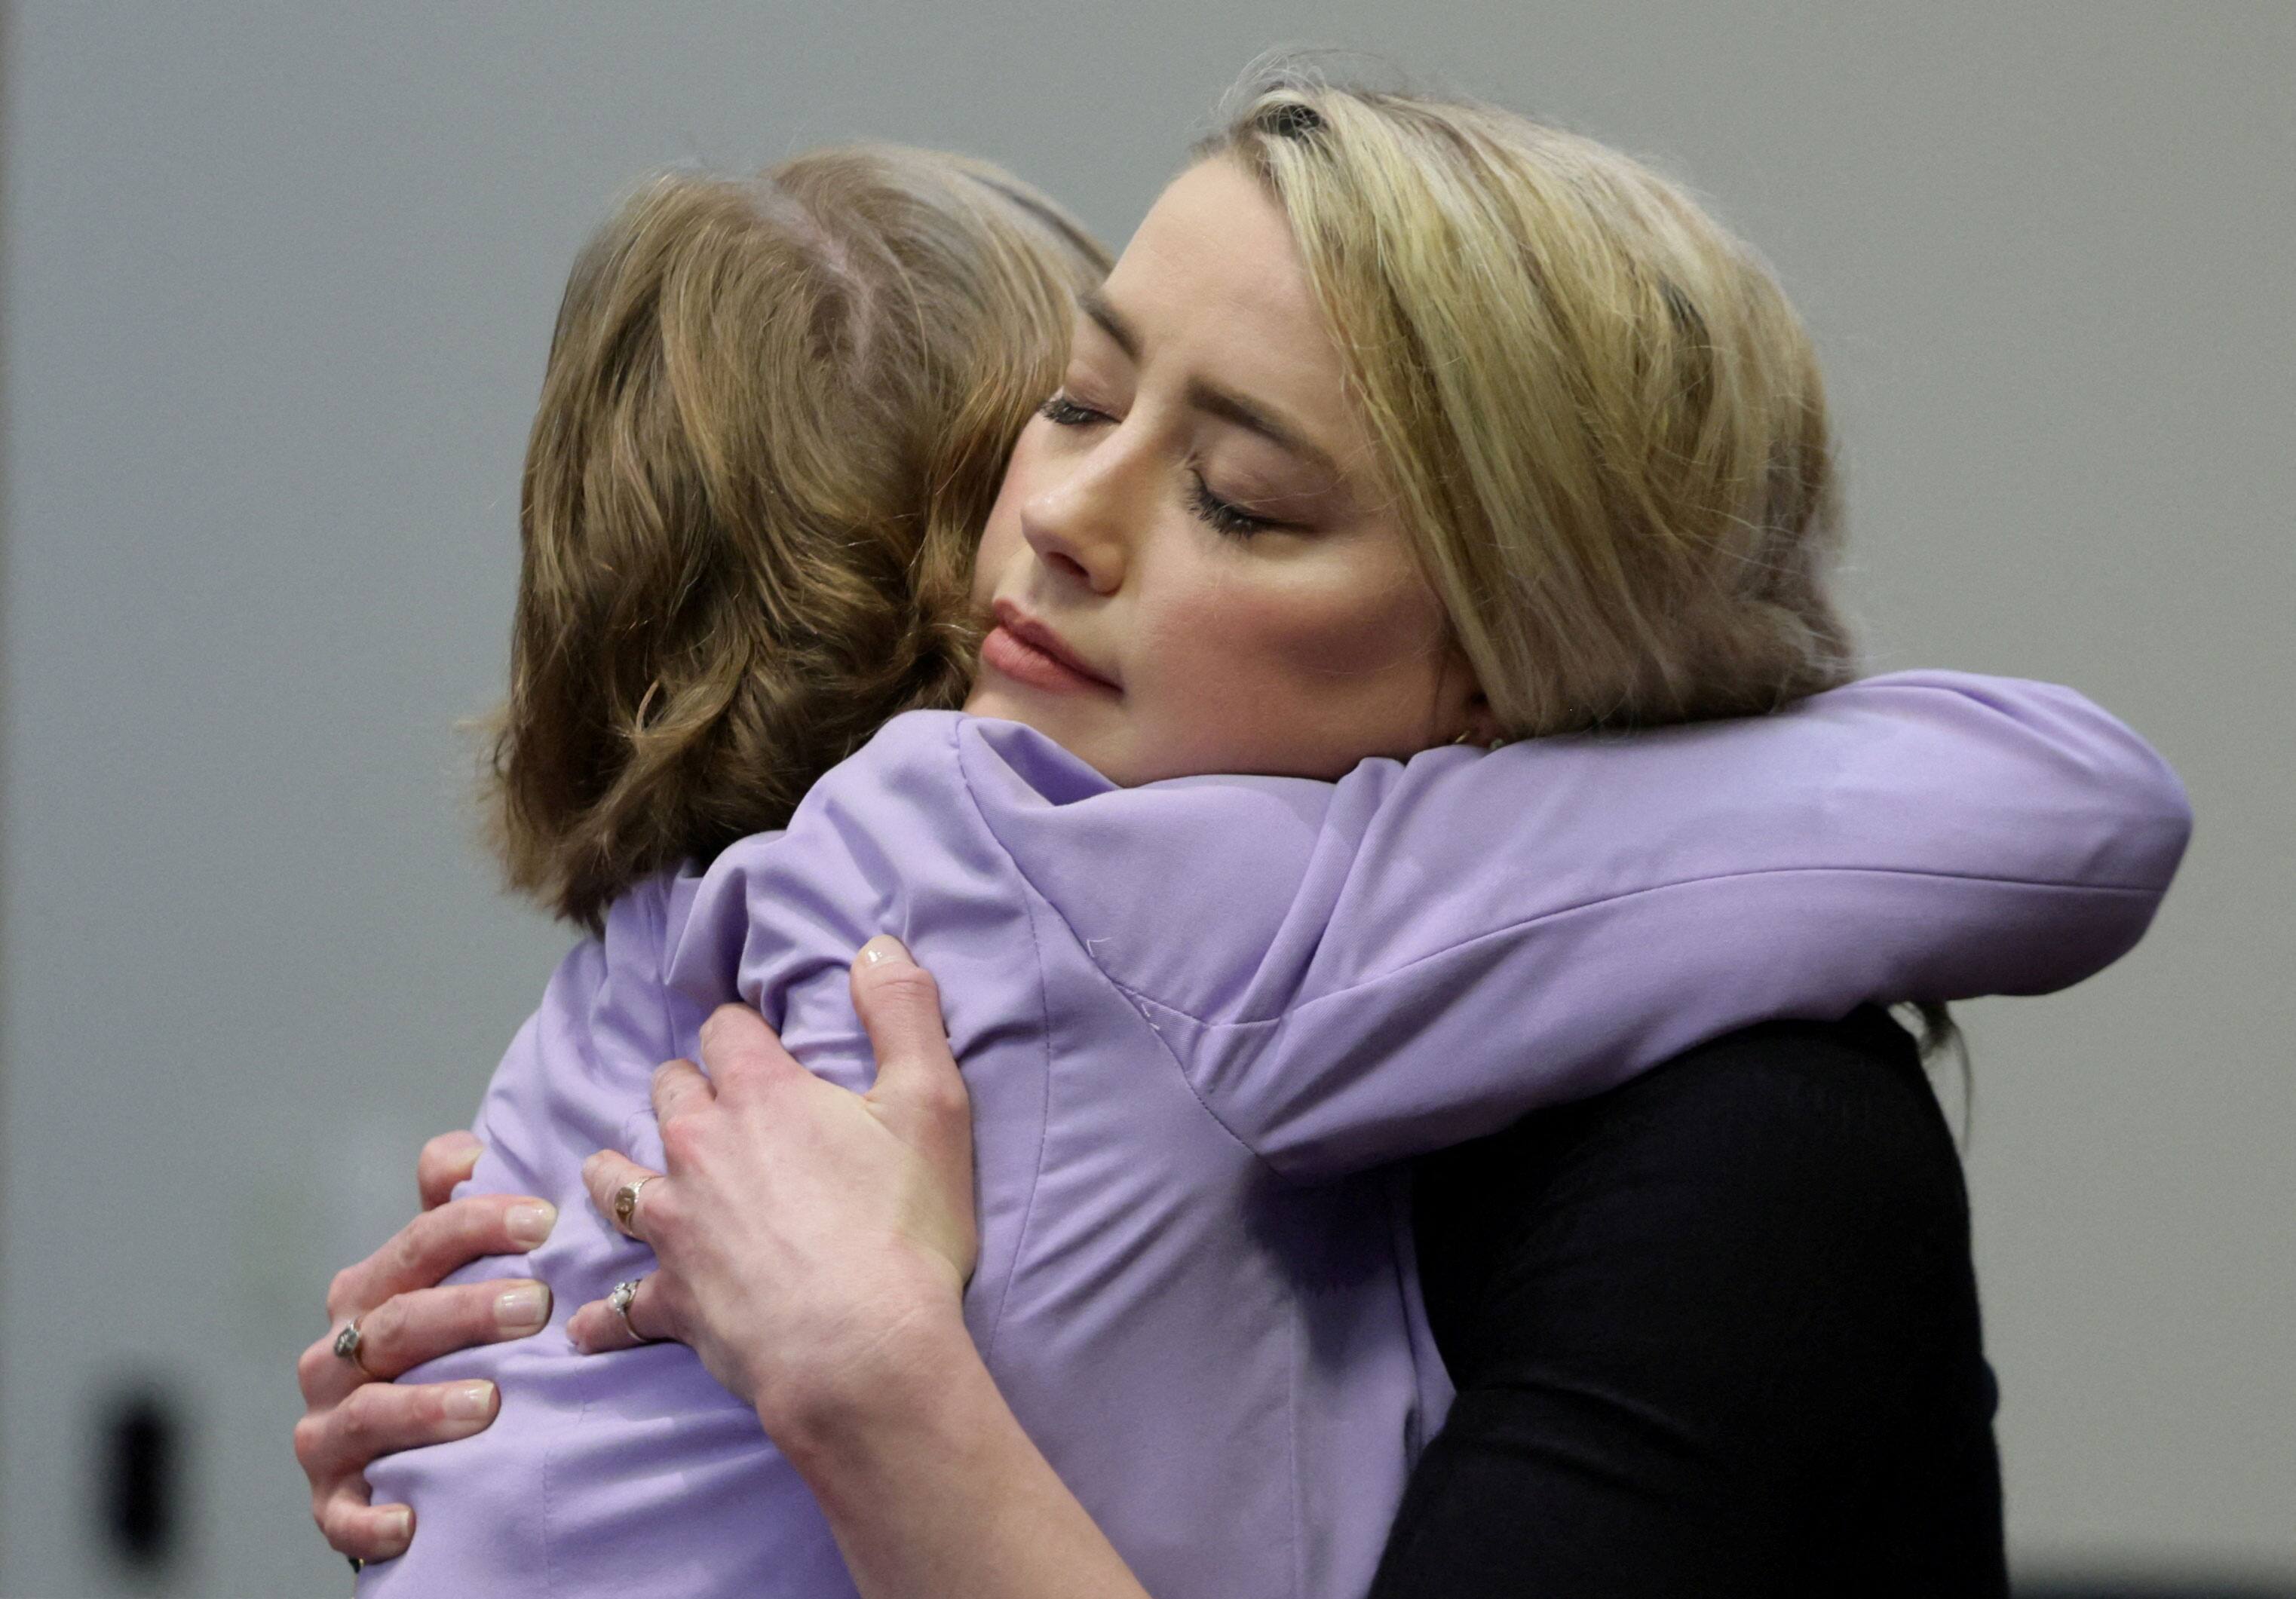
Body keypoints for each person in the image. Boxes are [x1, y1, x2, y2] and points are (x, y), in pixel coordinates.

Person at [297, 75, 2188, 1596]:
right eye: (1078, 399)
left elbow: (2079, 806)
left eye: (1240, 497)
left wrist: (868, 1383)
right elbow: (2061, 799)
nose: (1059, 518)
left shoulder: (1741, 1143)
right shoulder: (982, 863)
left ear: (1495, 675)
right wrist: (474, 1369)